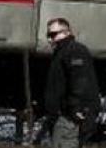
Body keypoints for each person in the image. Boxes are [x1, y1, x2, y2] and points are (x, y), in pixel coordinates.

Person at [43, 17, 101, 148]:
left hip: (69, 118)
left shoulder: (74, 51)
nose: (49, 39)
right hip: (63, 116)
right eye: (48, 35)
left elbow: (81, 82)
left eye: (53, 35)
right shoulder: (61, 53)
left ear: (67, 32)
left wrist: (76, 110)